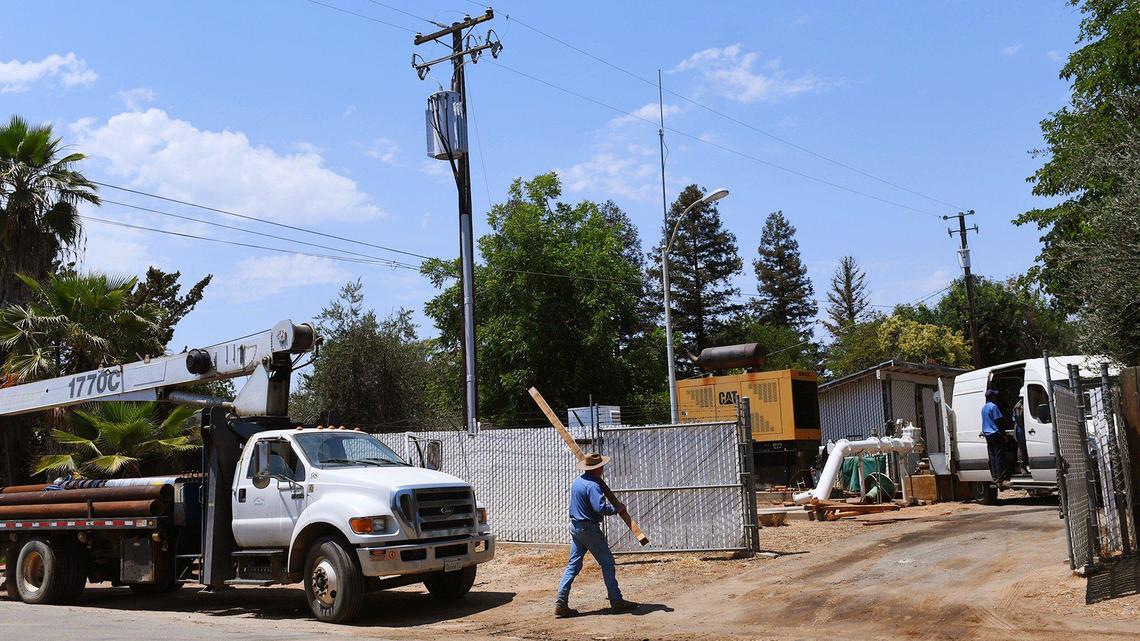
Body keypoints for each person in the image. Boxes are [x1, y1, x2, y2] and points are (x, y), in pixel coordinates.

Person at [555, 452, 639, 617]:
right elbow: (599, 508)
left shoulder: (578, 482)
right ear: (597, 468)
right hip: (589, 529)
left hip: (576, 527)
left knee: (573, 565)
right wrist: (617, 509)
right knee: (607, 563)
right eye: (601, 466)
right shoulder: (593, 485)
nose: (603, 469)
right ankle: (616, 601)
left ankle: (561, 602)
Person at [981, 389, 1009, 485]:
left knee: (992, 456)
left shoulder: (984, 408)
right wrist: (1004, 435)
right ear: (992, 397)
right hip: (995, 433)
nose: (996, 397)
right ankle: (1002, 478)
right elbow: (998, 421)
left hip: (987, 434)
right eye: (995, 396)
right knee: (999, 456)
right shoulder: (993, 407)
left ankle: (995, 476)